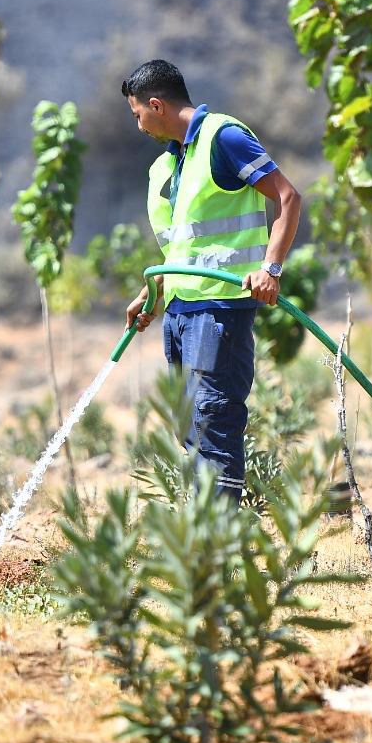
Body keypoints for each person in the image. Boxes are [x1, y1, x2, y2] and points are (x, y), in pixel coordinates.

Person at [121, 59, 302, 504]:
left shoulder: (223, 138)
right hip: (181, 308)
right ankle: (202, 532)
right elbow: (184, 246)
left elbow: (288, 196)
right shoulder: (170, 164)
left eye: (137, 113)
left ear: (156, 105)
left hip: (220, 308)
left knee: (213, 418)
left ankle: (218, 543)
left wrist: (271, 268)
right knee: (188, 425)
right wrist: (152, 291)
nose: (138, 125)